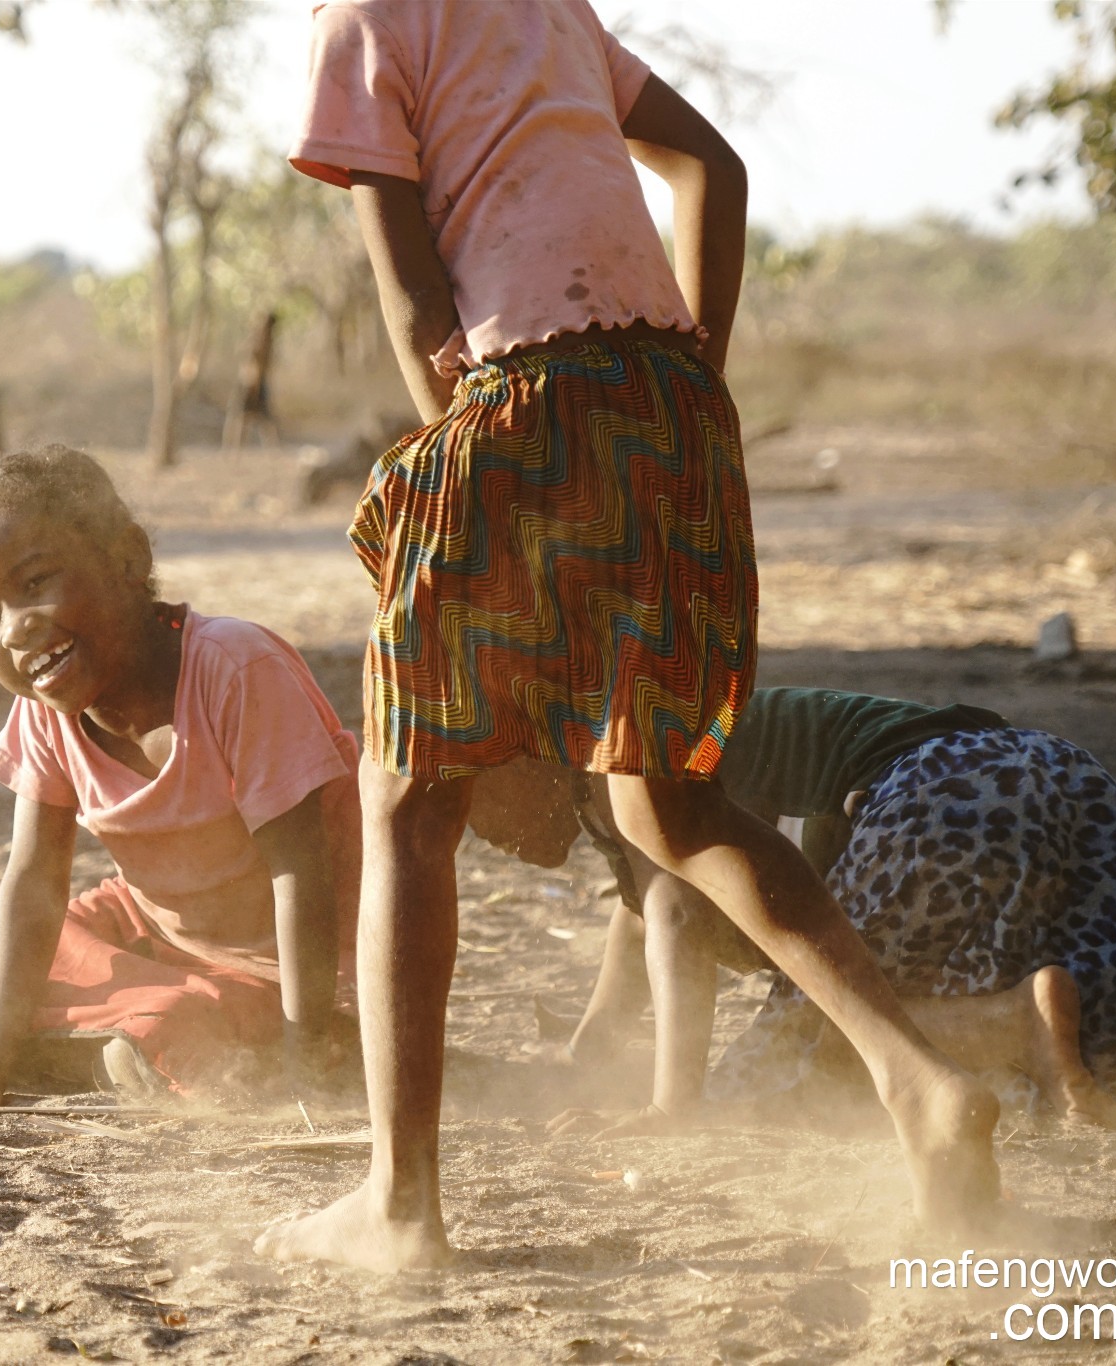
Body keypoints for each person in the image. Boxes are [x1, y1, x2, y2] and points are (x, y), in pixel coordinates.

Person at [261, 0, 998, 1271]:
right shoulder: (546, 8)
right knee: (665, 806)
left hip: (515, 398)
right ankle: (920, 1083)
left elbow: (411, 295)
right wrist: (691, 377)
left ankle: (396, 1203)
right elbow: (713, 164)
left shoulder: (361, 21)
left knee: (402, 803)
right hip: (669, 411)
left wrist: (468, 462)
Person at [475, 689, 1116, 1136]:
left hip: (934, 791)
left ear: (517, 752)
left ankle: (1012, 1022)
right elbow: (647, 911)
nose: (479, 837)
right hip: (1049, 769)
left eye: (468, 799)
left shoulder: (618, 758)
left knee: (801, 1053)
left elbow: (676, 907)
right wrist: (590, 1047)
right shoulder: (642, 731)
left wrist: (673, 1106)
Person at [0, 446, 361, 1103]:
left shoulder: (234, 668)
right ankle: (114, 1057)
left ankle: (150, 1051)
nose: (17, 629)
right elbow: (33, 884)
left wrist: (305, 1053)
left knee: (180, 1038)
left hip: (283, 967)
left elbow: (302, 875)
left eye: (34, 584)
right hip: (147, 932)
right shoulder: (47, 709)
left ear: (127, 558)